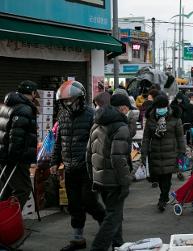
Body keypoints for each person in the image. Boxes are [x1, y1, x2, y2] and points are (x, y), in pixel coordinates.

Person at [50, 80, 105, 251]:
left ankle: (108, 227)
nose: (67, 103)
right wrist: (54, 161)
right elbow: (59, 142)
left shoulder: (92, 115)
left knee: (89, 201)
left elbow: (99, 142)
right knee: (74, 204)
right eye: (64, 101)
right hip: (69, 168)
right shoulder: (62, 116)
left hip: (88, 168)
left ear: (79, 98)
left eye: (69, 100)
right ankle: (78, 238)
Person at [86, 94, 132, 251]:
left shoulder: (96, 124)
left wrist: (93, 177)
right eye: (126, 108)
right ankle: (98, 247)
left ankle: (118, 245)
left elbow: (88, 154)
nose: (127, 112)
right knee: (113, 216)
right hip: (114, 180)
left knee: (114, 214)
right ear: (121, 108)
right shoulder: (121, 127)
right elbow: (119, 159)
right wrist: (125, 182)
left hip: (100, 178)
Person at [141, 95, 186, 211]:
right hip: (155, 153)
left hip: (170, 152)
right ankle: (164, 195)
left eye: (163, 106)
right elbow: (146, 138)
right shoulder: (151, 119)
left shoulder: (175, 118)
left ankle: (163, 198)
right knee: (159, 177)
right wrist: (143, 152)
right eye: (159, 106)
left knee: (167, 177)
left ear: (167, 106)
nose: (161, 108)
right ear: (155, 107)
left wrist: (182, 151)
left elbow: (180, 137)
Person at [0, 81, 39, 208]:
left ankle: (4, 220)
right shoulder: (24, 108)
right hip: (16, 157)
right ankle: (10, 221)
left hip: (4, 153)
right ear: (33, 93)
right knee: (23, 189)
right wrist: (14, 156)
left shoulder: (7, 105)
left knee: (6, 188)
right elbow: (16, 136)